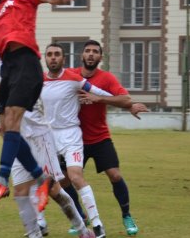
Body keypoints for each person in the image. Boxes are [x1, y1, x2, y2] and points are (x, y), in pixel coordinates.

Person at [0, 0, 78, 208]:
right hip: (10, 70)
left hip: (27, 63)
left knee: (13, 123)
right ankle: (41, 177)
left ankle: (1, 178)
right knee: (7, 130)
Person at [0, 70, 95, 238]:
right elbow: (6, 101)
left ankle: (83, 231)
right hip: (18, 137)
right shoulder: (6, 63)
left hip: (39, 137)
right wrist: (5, 123)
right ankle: (34, 234)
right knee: (21, 192)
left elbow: (13, 95)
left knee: (54, 190)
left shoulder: (25, 64)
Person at [66, 39, 148, 236]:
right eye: (88, 51)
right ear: (82, 56)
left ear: (100, 57)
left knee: (115, 175)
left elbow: (125, 98)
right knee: (66, 181)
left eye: (95, 51)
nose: (91, 54)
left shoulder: (107, 78)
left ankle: (127, 215)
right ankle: (80, 217)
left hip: (100, 138)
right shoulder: (70, 75)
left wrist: (100, 98)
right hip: (74, 139)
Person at [41, 43, 114, 238]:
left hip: (71, 134)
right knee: (46, 181)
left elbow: (102, 93)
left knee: (75, 176)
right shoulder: (38, 81)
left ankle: (97, 224)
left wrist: (127, 103)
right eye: (50, 55)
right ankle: (42, 223)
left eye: (57, 54)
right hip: (48, 136)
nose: (53, 58)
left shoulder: (74, 78)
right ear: (45, 58)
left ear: (63, 59)